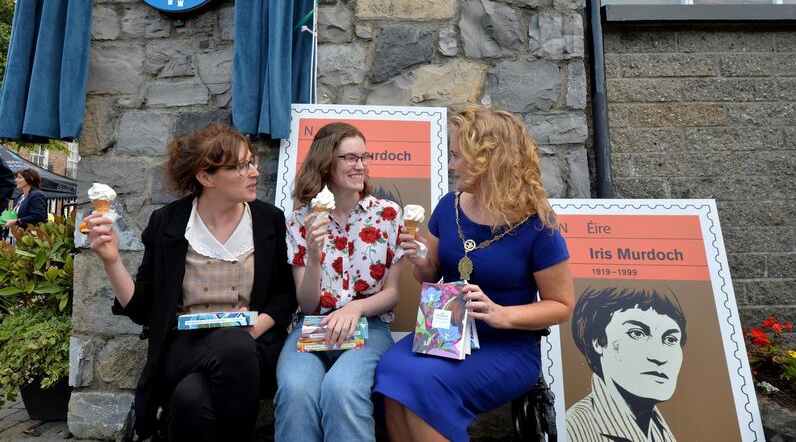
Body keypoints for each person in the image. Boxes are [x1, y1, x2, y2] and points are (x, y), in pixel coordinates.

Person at [84, 123, 296, 441]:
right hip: (185, 347)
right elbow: (144, 309)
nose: (254, 172)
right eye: (242, 166)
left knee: (190, 400)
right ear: (205, 177)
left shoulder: (269, 219)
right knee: (228, 350)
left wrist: (256, 328)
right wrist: (111, 261)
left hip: (252, 347)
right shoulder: (168, 222)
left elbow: (284, 292)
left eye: (252, 162)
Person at [374, 106, 575, 442]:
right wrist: (421, 259)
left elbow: (562, 305)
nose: (450, 165)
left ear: (488, 160)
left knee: (423, 384)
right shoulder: (448, 206)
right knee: (391, 371)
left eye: (457, 156)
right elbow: (429, 277)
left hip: (507, 347)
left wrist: (502, 314)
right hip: (446, 334)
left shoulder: (538, 225)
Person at [275, 122, 405, 442]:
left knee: (342, 389)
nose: (359, 165)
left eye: (363, 157)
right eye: (349, 158)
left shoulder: (388, 215)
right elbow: (307, 304)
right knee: (296, 391)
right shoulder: (301, 220)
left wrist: (357, 308)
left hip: (369, 328)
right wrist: (315, 257)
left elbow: (392, 294)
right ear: (325, 164)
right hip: (313, 326)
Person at [566, 286, 686, 442]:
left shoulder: (660, 431)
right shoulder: (573, 430)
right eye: (637, 333)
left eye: (670, 339)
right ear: (598, 342)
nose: (659, 356)